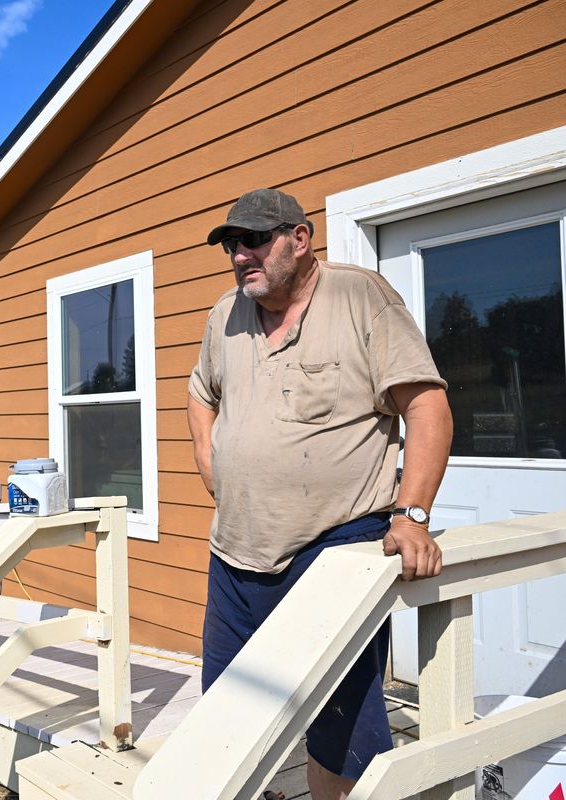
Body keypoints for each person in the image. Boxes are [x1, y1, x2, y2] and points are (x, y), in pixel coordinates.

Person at [186, 188, 453, 800]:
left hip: (333, 547)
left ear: (300, 239)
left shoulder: (361, 297)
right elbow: (201, 392)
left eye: (254, 239)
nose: (239, 255)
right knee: (224, 719)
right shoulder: (224, 314)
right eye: (231, 244)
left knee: (342, 734)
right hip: (235, 553)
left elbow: (427, 406)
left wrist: (412, 516)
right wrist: (211, 461)